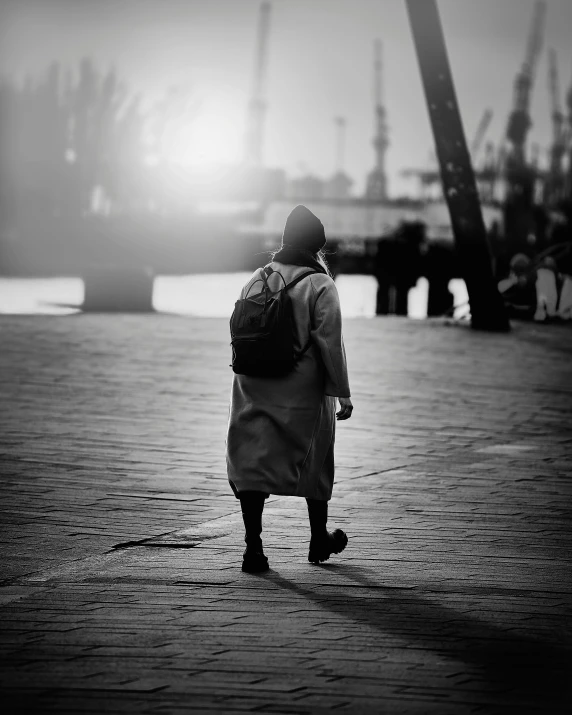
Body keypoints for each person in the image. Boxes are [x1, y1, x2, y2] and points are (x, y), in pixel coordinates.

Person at [226, 205, 353, 573]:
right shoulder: (320, 284)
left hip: (251, 384)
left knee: (250, 459)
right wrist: (341, 391)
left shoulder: (257, 277)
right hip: (301, 389)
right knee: (314, 459)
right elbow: (330, 343)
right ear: (316, 248)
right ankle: (317, 539)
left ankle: (254, 548)